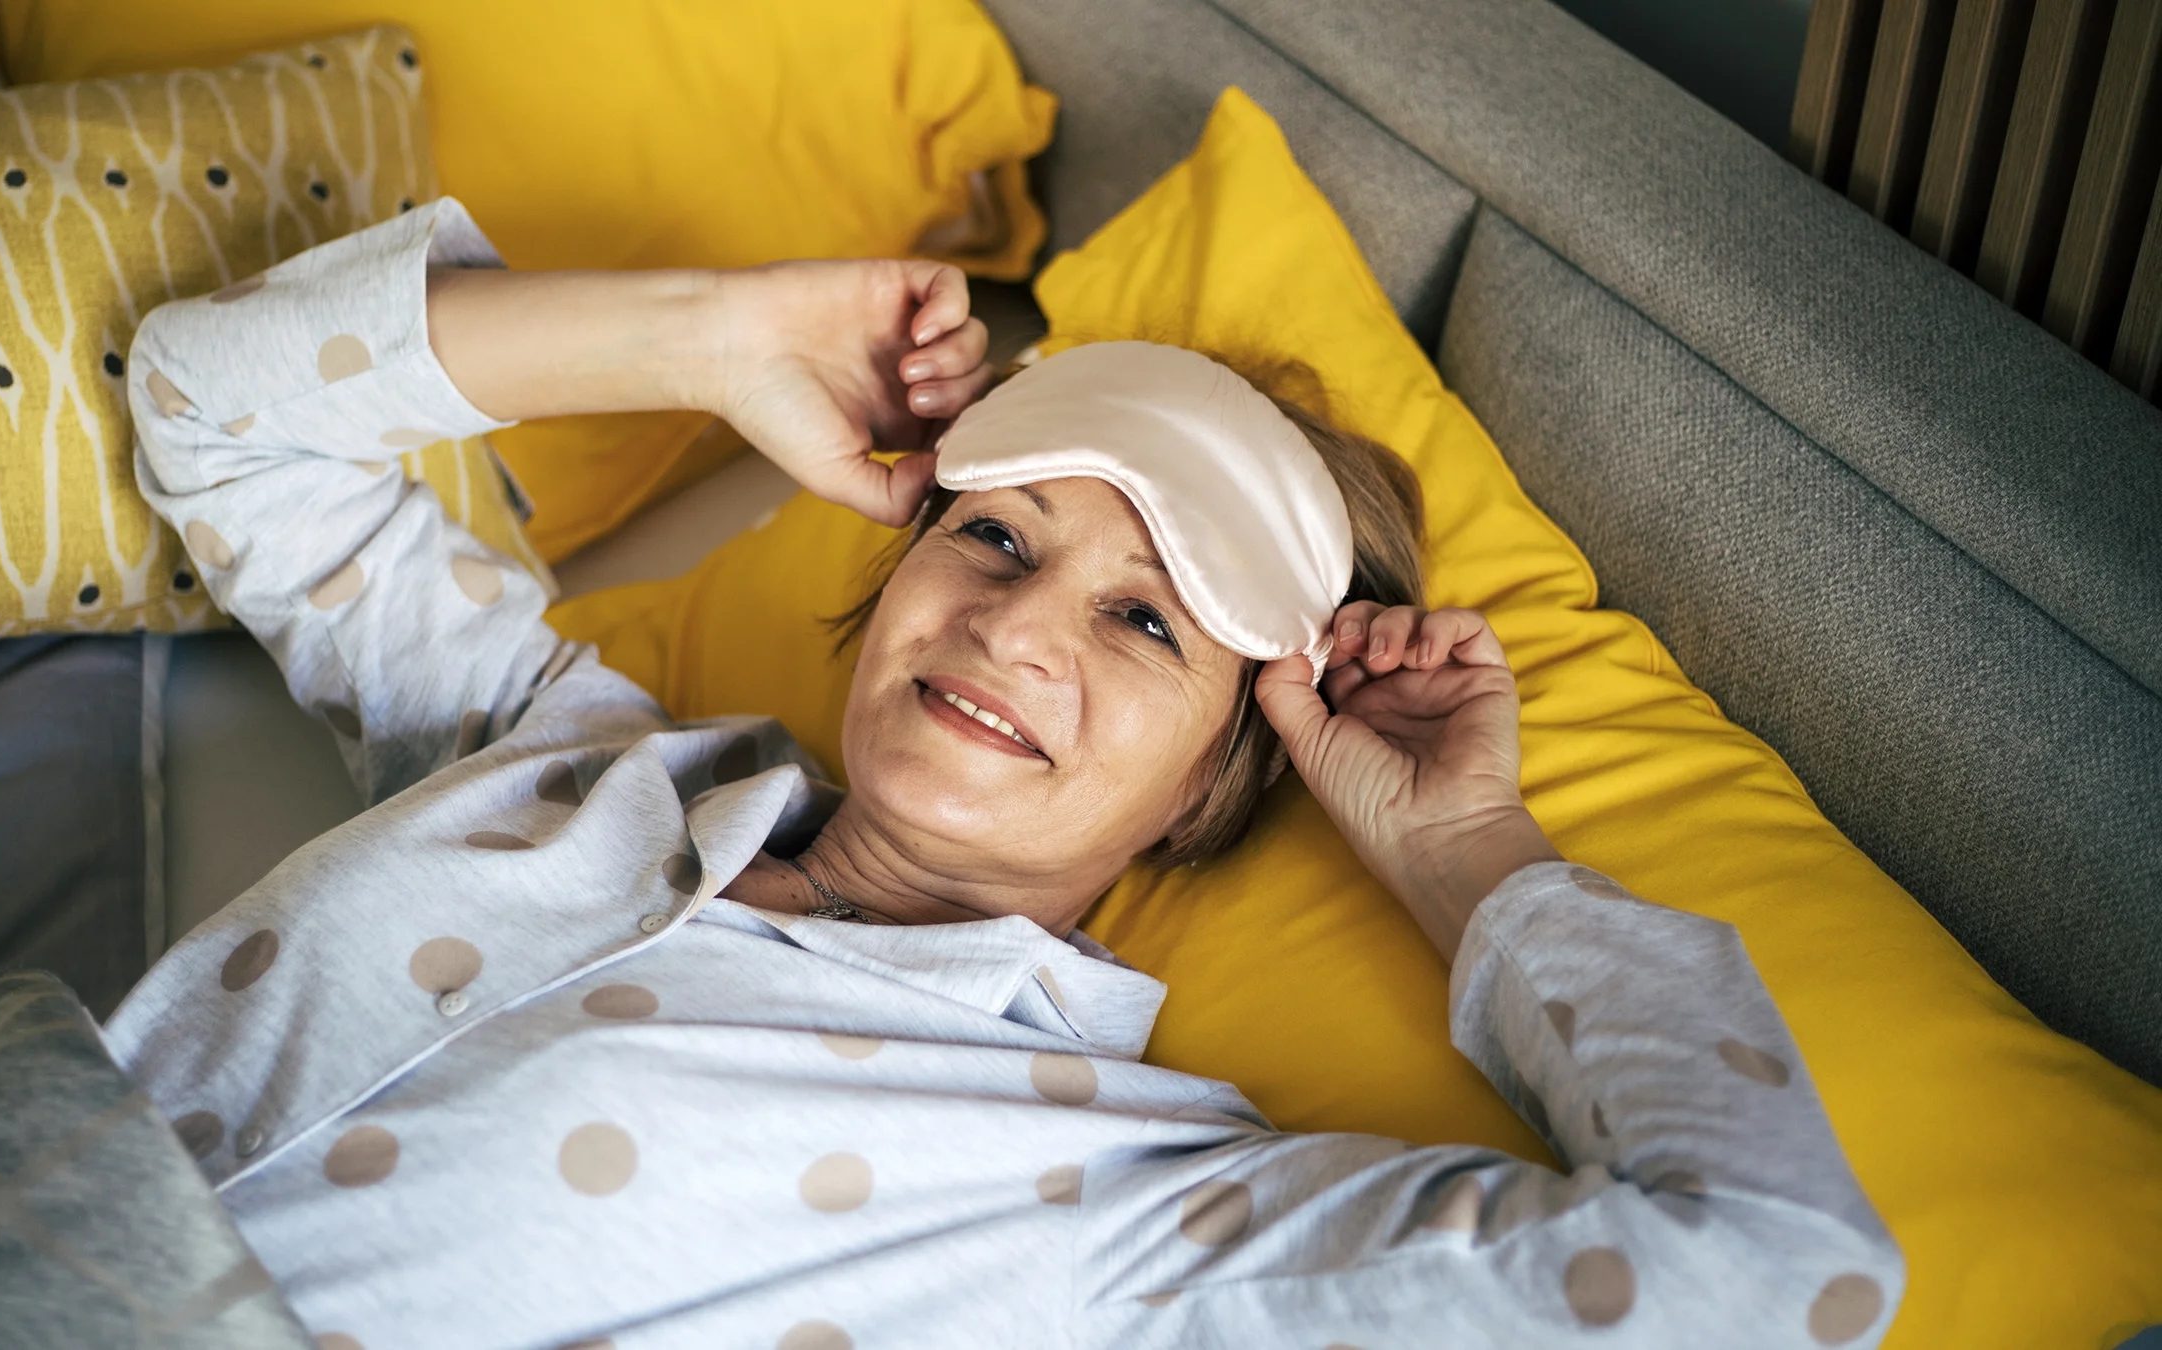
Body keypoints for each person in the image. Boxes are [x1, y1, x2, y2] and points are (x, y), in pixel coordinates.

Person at [109, 199, 1902, 1349]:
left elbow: (1771, 1262)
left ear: (1209, 782)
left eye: (1146, 626)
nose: (1019, 626)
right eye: (993, 535)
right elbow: (210, 401)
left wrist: (1469, 854)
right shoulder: (577, 765)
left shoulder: (1123, 1213)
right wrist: (704, 339)